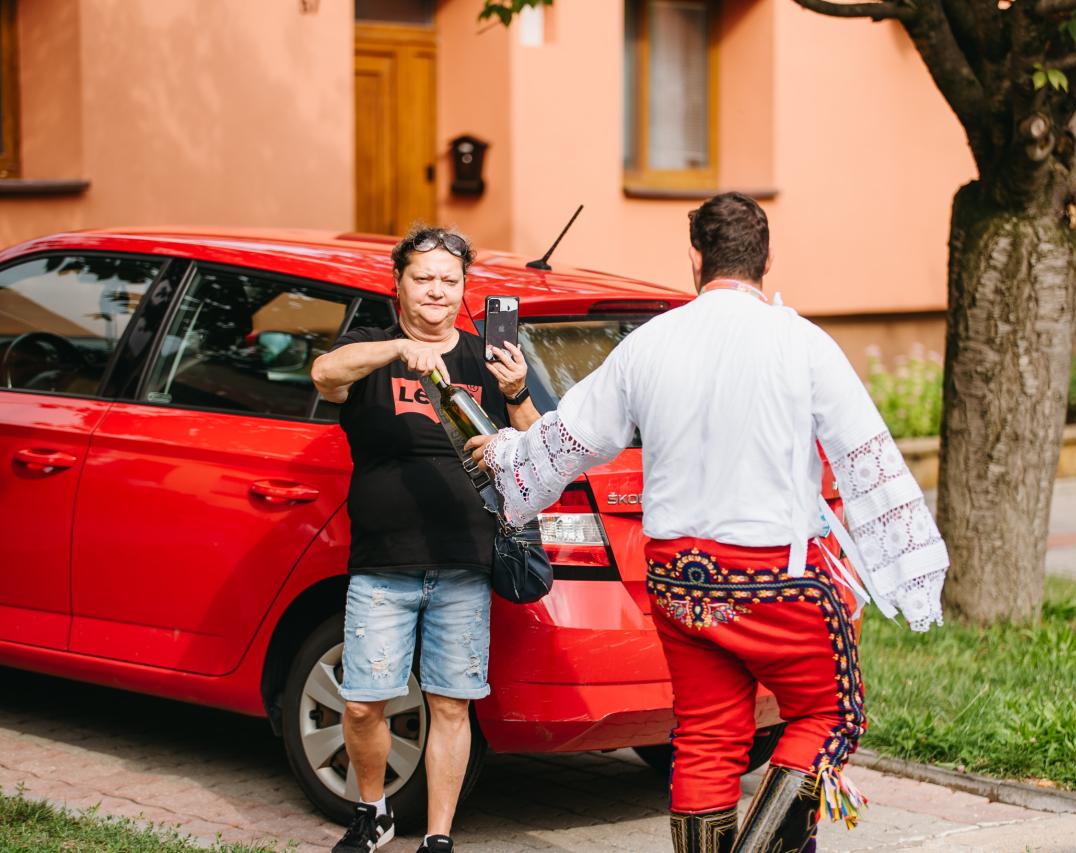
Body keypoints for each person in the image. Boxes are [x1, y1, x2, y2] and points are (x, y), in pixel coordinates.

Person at [465, 193, 949, 852]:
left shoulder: (650, 343)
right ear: (767, 259)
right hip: (772, 577)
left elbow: (572, 438)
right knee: (830, 713)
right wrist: (908, 567)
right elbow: (868, 459)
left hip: (677, 579)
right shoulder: (804, 343)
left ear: (695, 257)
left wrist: (507, 454)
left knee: (706, 736)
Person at [311, 226, 538, 853]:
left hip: (465, 562)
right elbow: (325, 375)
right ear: (399, 283)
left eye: (449, 280)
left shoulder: (488, 358)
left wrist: (516, 391)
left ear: (465, 288)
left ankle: (438, 836)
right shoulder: (368, 346)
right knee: (363, 704)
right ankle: (373, 812)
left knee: (451, 705)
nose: (437, 290)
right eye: (423, 278)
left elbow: (538, 445)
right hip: (383, 564)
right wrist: (397, 350)